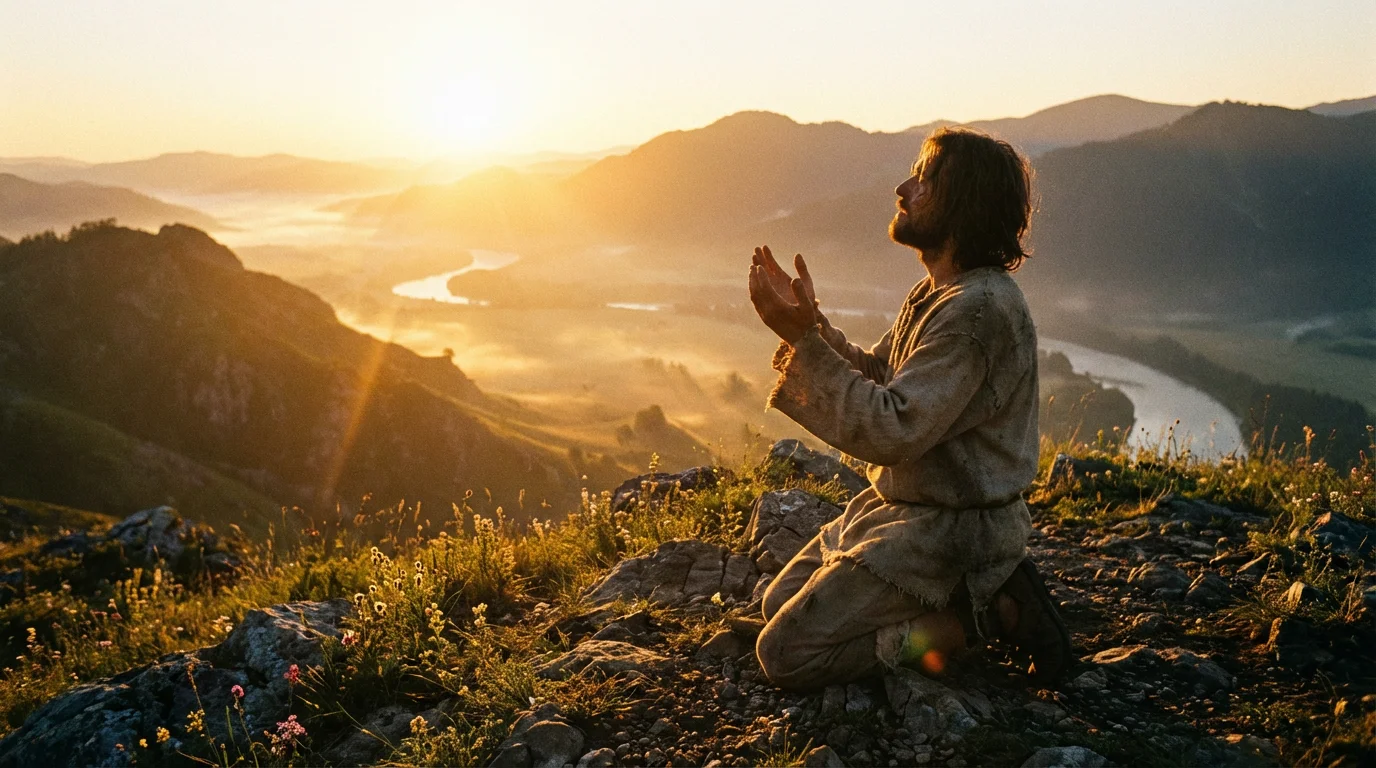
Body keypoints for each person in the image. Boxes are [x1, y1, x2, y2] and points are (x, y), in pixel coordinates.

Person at [746, 127, 1071, 690]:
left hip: (955, 527)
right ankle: (977, 596)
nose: (904, 188)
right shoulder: (939, 293)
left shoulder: (978, 312)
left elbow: (893, 426)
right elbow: (881, 375)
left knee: (786, 653)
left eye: (924, 180)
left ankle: (991, 614)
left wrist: (804, 343)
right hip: (907, 510)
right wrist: (813, 328)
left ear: (962, 203)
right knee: (775, 601)